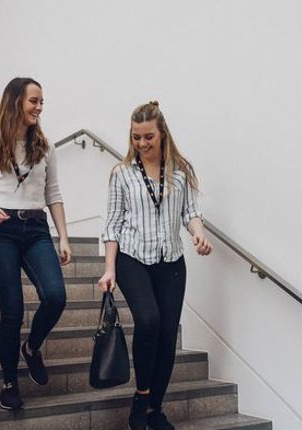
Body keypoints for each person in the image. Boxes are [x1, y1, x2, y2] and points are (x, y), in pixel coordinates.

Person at [98, 101, 212, 430]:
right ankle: (141, 395)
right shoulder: (121, 174)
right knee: (148, 320)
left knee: (166, 336)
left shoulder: (180, 170)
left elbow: (190, 212)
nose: (142, 144)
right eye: (136, 137)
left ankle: (155, 410)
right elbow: (112, 224)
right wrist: (109, 268)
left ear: (162, 134)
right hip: (132, 257)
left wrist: (198, 235)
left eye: (148, 136)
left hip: (171, 262)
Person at [0, 77, 71, 410]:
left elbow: (53, 194)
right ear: (15, 102)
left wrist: (63, 236)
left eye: (41, 102)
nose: (39, 107)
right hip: (1, 232)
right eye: (33, 101)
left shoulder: (45, 147)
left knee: (56, 296)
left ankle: (32, 348)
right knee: (12, 311)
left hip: (36, 229)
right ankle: (9, 383)